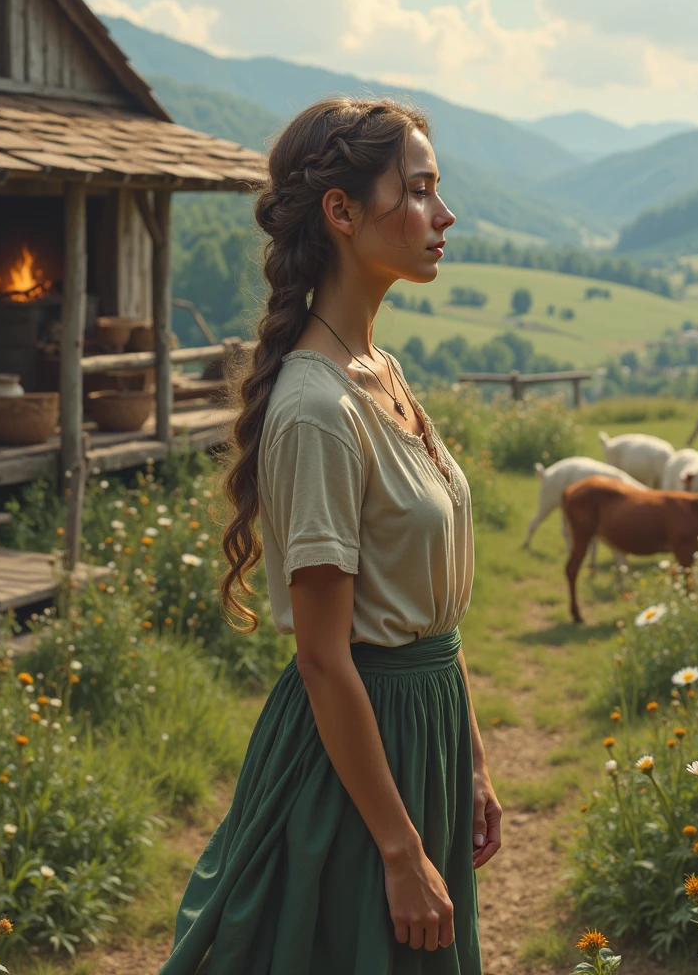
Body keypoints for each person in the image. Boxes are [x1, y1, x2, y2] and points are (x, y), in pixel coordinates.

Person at [159, 98, 501, 975]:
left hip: (424, 735)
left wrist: (470, 760)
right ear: (341, 212)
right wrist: (398, 849)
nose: (444, 214)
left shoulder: (382, 371)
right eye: (418, 190)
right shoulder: (318, 409)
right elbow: (322, 656)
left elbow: (430, 608)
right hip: (359, 757)